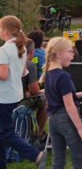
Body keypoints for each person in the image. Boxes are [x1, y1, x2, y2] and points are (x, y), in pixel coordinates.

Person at [44, 37, 82, 169]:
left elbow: (60, 97)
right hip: (67, 120)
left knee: (58, 160)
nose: (73, 55)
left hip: (52, 121)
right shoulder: (64, 76)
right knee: (78, 160)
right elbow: (69, 105)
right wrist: (80, 128)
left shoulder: (48, 74)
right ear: (59, 54)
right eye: (70, 52)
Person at [0, 16, 47, 169]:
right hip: (15, 95)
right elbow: (22, 72)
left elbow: (3, 75)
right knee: (2, 132)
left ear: (5, 31)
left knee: (6, 132)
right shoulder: (21, 48)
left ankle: (36, 155)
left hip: (4, 97)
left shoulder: (3, 50)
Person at [19, 39, 48, 138]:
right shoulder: (29, 64)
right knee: (46, 99)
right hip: (20, 101)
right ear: (32, 51)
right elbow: (35, 91)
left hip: (5, 99)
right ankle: (39, 134)